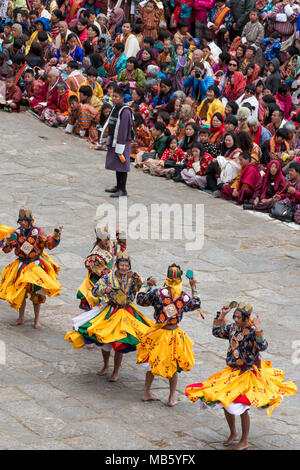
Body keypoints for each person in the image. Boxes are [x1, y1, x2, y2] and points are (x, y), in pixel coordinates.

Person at [185, 302, 297, 450]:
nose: (236, 320)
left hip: (248, 373)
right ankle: (233, 434)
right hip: (232, 372)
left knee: (243, 407)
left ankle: (244, 440)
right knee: (224, 400)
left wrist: (258, 329)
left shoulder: (251, 332)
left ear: (246, 317)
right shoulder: (233, 328)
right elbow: (216, 332)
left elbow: (263, 346)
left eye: (239, 317)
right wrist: (222, 315)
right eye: (235, 317)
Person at [65, 251, 155, 382]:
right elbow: (95, 290)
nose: (124, 268)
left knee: (120, 341)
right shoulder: (108, 277)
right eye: (122, 265)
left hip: (126, 311)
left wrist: (149, 283)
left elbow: (142, 287)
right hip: (110, 310)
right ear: (117, 265)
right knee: (105, 340)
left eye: (126, 265)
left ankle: (116, 371)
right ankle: (106, 365)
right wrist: (105, 290)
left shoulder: (133, 277)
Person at [136, 264, 201, 406]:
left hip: (158, 333)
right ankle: (171, 398)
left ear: (167, 278)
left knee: (151, 363)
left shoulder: (157, 293)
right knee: (173, 366)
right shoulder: (183, 297)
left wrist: (146, 285)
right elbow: (196, 303)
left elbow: (140, 299)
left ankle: (146, 392)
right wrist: (193, 286)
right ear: (179, 281)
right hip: (173, 334)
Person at [0, 208, 62, 329]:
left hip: (35, 265)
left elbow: (49, 244)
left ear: (30, 220)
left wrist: (56, 234)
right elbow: (7, 250)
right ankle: (20, 318)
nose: (22, 222)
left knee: (37, 293)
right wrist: (6, 242)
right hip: (21, 265)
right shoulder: (16, 233)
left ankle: (37, 320)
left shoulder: (38, 232)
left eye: (25, 220)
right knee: (21, 292)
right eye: (21, 220)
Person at [77, 224, 126, 311]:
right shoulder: (95, 256)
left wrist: (120, 235)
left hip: (109, 280)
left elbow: (119, 250)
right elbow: (106, 274)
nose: (107, 239)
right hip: (98, 284)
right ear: (99, 239)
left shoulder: (109, 244)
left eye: (108, 236)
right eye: (104, 237)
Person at [100, 85, 133, 197]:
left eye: (116, 96)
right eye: (113, 96)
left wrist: (120, 145)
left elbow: (124, 129)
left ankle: (123, 189)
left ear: (122, 98)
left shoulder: (125, 111)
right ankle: (118, 186)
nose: (113, 98)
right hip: (115, 140)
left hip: (122, 142)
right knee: (117, 165)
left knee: (122, 165)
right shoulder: (115, 108)